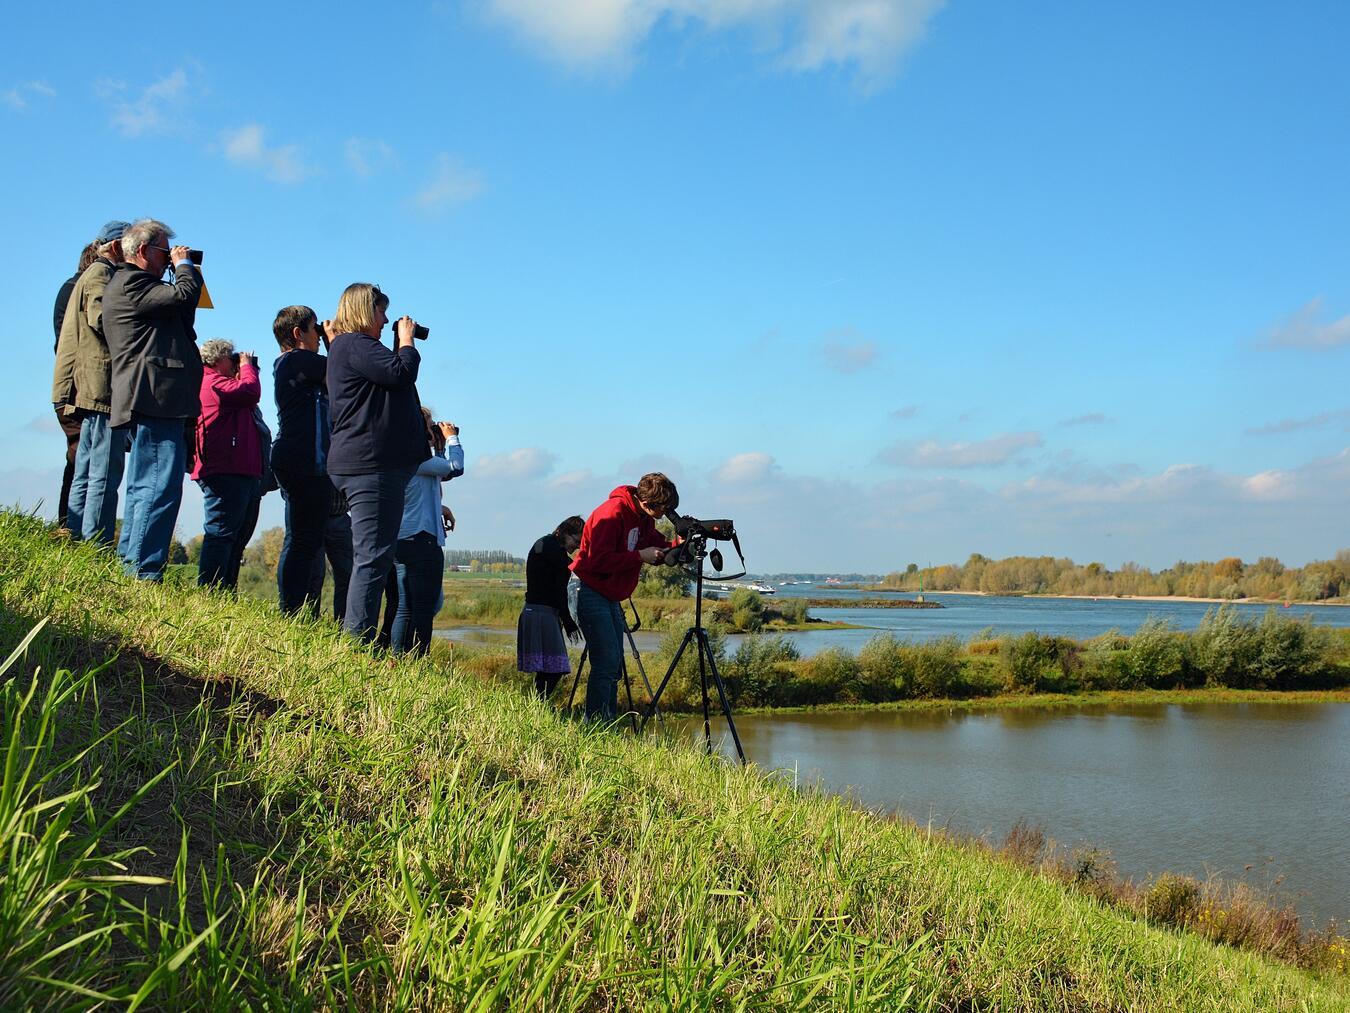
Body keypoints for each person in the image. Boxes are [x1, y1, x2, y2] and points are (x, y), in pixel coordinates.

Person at [325, 283, 426, 641]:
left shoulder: (352, 348)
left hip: (369, 464)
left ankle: (358, 638)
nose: (386, 320)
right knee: (373, 557)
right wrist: (407, 341)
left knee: (374, 556)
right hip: (371, 466)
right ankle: (357, 644)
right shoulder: (355, 344)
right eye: (381, 312)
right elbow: (400, 373)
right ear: (365, 311)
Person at [103, 219, 203, 581]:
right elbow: (182, 296)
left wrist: (183, 269)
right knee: (157, 487)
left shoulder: (136, 287)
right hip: (155, 396)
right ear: (143, 251)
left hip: (154, 396)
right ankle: (143, 572)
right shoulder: (131, 283)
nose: (170, 259)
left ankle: (134, 566)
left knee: (145, 486)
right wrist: (186, 268)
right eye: (165, 251)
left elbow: (183, 317)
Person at [571, 473, 680, 721]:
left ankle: (606, 724)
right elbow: (597, 561)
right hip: (587, 587)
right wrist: (640, 556)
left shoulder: (642, 518)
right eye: (665, 507)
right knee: (606, 662)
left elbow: (658, 545)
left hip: (608, 594)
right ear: (650, 502)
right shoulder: (611, 514)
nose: (667, 513)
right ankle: (596, 724)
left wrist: (678, 546)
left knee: (614, 665)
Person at [51, 224, 129, 542]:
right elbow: (103, 321)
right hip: (99, 386)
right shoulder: (101, 275)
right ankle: (95, 544)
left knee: (84, 466)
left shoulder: (91, 274)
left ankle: (76, 535)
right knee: (103, 470)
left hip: (87, 385)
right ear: (114, 247)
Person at [269, 304, 339, 614]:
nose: (319, 335)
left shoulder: (295, 364)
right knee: (302, 541)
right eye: (315, 330)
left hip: (300, 460)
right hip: (304, 461)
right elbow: (344, 369)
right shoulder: (297, 360)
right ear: (299, 334)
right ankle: (291, 610)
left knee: (304, 540)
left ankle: (297, 610)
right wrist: (335, 339)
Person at [390, 409, 463, 654]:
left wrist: (439, 447)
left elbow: (438, 478)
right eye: (431, 425)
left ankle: (398, 657)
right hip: (422, 540)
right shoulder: (418, 458)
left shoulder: (402, 454)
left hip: (402, 538)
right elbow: (455, 468)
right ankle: (417, 659)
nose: (434, 429)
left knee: (405, 605)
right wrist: (452, 438)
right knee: (423, 606)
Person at [190, 340, 261, 588]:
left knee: (231, 535)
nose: (234, 363)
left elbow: (247, 398)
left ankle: (222, 590)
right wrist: (247, 367)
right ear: (218, 360)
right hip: (225, 468)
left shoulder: (217, 383)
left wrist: (245, 371)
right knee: (221, 533)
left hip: (232, 467)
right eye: (231, 358)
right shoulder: (213, 382)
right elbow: (250, 393)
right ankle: (210, 590)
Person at [51, 239, 102, 532]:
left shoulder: (69, 288)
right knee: (81, 458)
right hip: (78, 391)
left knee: (80, 457)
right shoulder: (79, 291)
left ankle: (67, 528)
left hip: (71, 388)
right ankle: (69, 528)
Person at [519, 515, 584, 698]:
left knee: (547, 668)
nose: (577, 547)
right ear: (565, 533)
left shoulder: (548, 546)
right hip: (542, 613)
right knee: (555, 668)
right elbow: (561, 590)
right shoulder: (550, 546)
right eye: (576, 541)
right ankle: (538, 706)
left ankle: (537, 707)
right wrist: (569, 621)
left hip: (540, 612)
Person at [307, 490, 354, 624]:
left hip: (341, 516)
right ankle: (309, 623)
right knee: (315, 575)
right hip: (313, 516)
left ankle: (343, 628)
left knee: (347, 576)